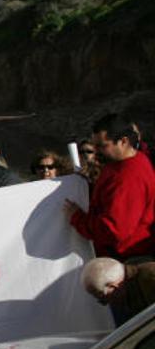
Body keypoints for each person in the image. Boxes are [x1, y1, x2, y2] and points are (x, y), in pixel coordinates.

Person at [65, 114, 155, 260]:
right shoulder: (122, 162)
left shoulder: (129, 177)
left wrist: (76, 217)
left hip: (125, 258)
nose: (96, 150)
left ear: (123, 141)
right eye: (95, 145)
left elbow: (114, 231)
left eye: (102, 145)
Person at [82, 257, 155, 325]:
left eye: (104, 300)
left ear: (113, 287)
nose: (108, 304)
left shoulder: (150, 277)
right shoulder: (127, 289)